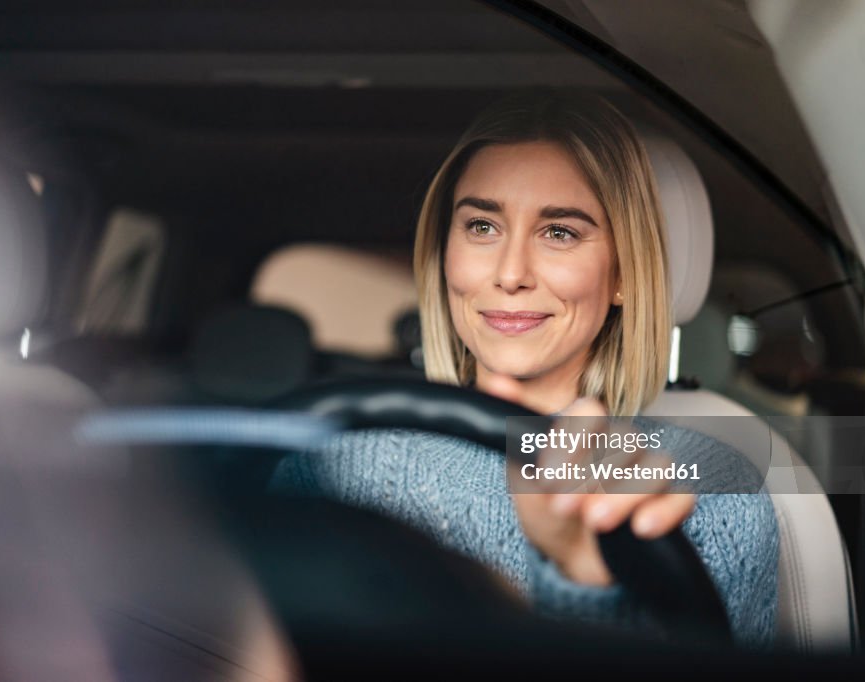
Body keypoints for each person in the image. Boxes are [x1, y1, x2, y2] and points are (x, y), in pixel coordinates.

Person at [271, 91, 778, 648]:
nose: (510, 274)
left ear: (624, 276)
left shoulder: (710, 491)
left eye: (559, 232)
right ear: (445, 254)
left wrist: (586, 578)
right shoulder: (330, 461)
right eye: (482, 227)